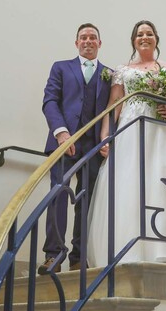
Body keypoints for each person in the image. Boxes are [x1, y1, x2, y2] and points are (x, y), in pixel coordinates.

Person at [87, 20, 166, 267]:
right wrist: (105, 135)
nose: (144, 37)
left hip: (163, 131)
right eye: (139, 34)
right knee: (131, 184)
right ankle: (131, 249)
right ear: (134, 41)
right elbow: (113, 106)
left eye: (149, 33)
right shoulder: (123, 70)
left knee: (164, 182)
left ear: (156, 38)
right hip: (130, 130)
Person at [40, 23, 112, 274]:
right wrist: (61, 134)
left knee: (88, 201)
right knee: (59, 193)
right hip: (64, 144)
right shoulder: (61, 68)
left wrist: (108, 139)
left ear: (100, 43)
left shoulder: (109, 74)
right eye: (83, 37)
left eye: (93, 38)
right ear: (76, 43)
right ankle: (55, 254)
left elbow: (112, 112)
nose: (88, 41)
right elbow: (50, 101)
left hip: (94, 147)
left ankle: (80, 256)